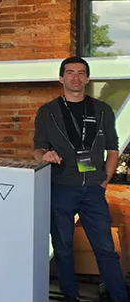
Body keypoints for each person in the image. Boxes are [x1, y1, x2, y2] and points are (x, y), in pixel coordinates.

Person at [33, 56, 128, 302]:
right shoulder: (47, 112)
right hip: (61, 188)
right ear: (61, 78)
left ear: (87, 79)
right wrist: (45, 155)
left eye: (81, 73)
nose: (75, 77)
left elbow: (113, 149)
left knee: (106, 249)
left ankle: (119, 297)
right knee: (63, 247)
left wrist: (104, 181)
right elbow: (38, 149)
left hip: (93, 190)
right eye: (70, 72)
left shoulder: (102, 110)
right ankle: (70, 296)